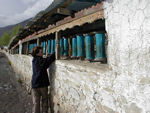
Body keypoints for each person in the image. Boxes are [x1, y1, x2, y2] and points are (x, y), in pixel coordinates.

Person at [31, 46, 55, 113]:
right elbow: (47, 61)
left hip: (34, 85)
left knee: (36, 103)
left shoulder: (34, 60)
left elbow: (45, 61)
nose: (42, 53)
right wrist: (55, 54)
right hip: (42, 85)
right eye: (41, 52)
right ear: (37, 53)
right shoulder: (40, 60)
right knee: (44, 101)